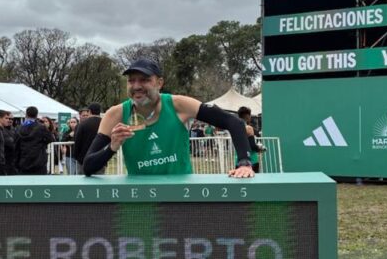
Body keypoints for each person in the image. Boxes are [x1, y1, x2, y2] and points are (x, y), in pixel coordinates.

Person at [83, 58, 256, 178]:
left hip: (179, 193)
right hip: (140, 195)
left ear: (159, 83)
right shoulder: (116, 114)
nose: (136, 86)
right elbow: (88, 166)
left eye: (144, 80)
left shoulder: (178, 105)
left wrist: (244, 162)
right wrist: (112, 147)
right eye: (131, 80)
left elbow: (233, 122)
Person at [15, 106, 54, 175]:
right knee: (40, 184)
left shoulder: (19, 128)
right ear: (36, 115)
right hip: (38, 161)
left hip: (23, 161)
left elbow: (16, 144)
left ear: (26, 115)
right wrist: (42, 143)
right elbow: (51, 139)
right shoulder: (41, 127)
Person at [73, 104, 103, 174]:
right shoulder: (105, 123)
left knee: (83, 183)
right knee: (99, 183)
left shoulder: (82, 124)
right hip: (100, 159)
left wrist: (76, 156)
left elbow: (77, 142)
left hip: (83, 159)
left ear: (89, 111)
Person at [237, 106, 267, 173]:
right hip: (251, 160)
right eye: (250, 115)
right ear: (247, 116)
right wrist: (261, 148)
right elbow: (252, 146)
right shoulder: (249, 128)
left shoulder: (234, 128)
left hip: (238, 160)